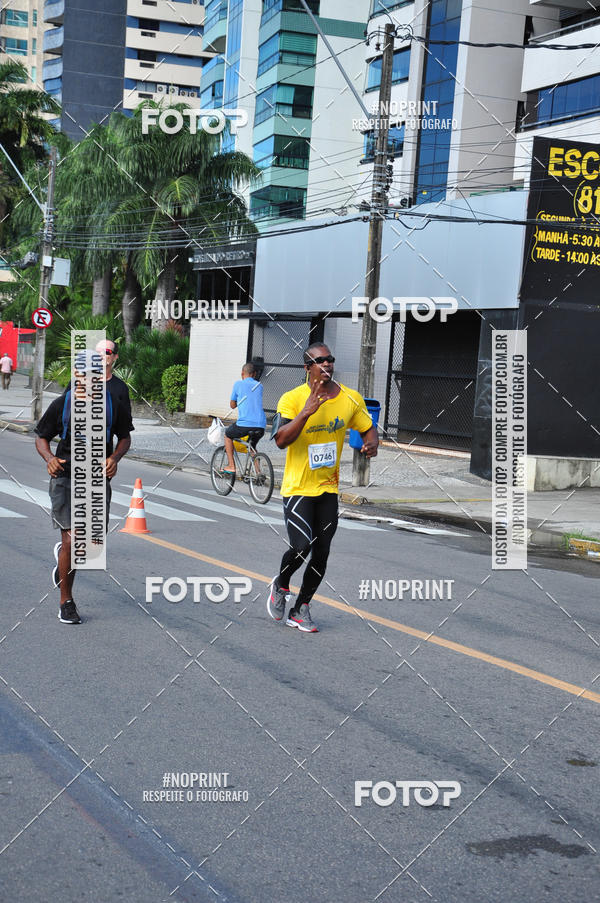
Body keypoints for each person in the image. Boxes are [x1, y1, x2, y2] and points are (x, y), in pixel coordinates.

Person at [267, 343, 378, 632]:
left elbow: (368, 428)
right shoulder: (292, 399)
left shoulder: (350, 398)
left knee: (322, 552)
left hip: (328, 488)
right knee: (301, 547)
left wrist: (372, 443)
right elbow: (280, 440)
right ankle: (281, 584)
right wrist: (306, 412)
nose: (327, 364)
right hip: (298, 488)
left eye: (330, 359)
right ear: (308, 368)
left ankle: (301, 608)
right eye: (320, 360)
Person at [34, 339, 134, 624]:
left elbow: (125, 437)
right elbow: (41, 436)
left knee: (91, 545)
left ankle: (63, 560)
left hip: (97, 479)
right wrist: (49, 458)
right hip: (66, 477)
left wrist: (114, 458)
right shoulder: (64, 403)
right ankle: (66, 601)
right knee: (74, 539)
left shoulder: (112, 404)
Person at [222, 362, 266, 474]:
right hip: (261, 425)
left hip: (245, 424)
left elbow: (232, 405)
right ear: (254, 374)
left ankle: (231, 466)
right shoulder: (259, 386)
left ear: (242, 373)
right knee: (252, 446)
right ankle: (258, 473)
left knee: (227, 435)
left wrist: (239, 402)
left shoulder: (238, 384)